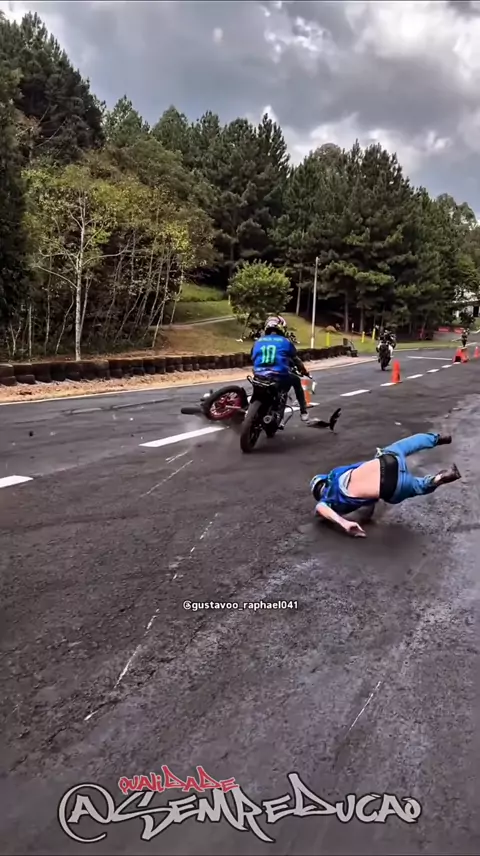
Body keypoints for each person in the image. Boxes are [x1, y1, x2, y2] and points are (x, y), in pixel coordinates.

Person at [309, 432, 461, 537]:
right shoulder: (336, 473)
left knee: (417, 487)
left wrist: (344, 523)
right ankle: (436, 438)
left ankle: (437, 479)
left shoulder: (331, 502)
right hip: (388, 463)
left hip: (393, 489)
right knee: (404, 446)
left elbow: (321, 508)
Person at [251, 315, 310, 424]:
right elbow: (295, 358)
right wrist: (304, 371)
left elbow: (253, 357)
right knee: (296, 381)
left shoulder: (258, 341)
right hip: (278, 375)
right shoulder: (285, 341)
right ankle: (303, 411)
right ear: (282, 328)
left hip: (259, 374)